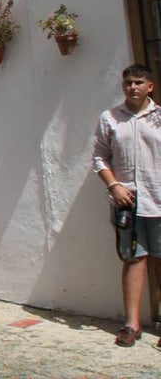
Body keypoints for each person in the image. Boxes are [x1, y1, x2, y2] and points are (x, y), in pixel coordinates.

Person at [92, 64, 161, 347]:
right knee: (133, 259)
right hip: (126, 203)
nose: (132, 87)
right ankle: (131, 325)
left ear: (150, 86)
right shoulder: (110, 118)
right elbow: (99, 157)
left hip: (158, 200)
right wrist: (114, 186)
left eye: (138, 82)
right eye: (127, 83)